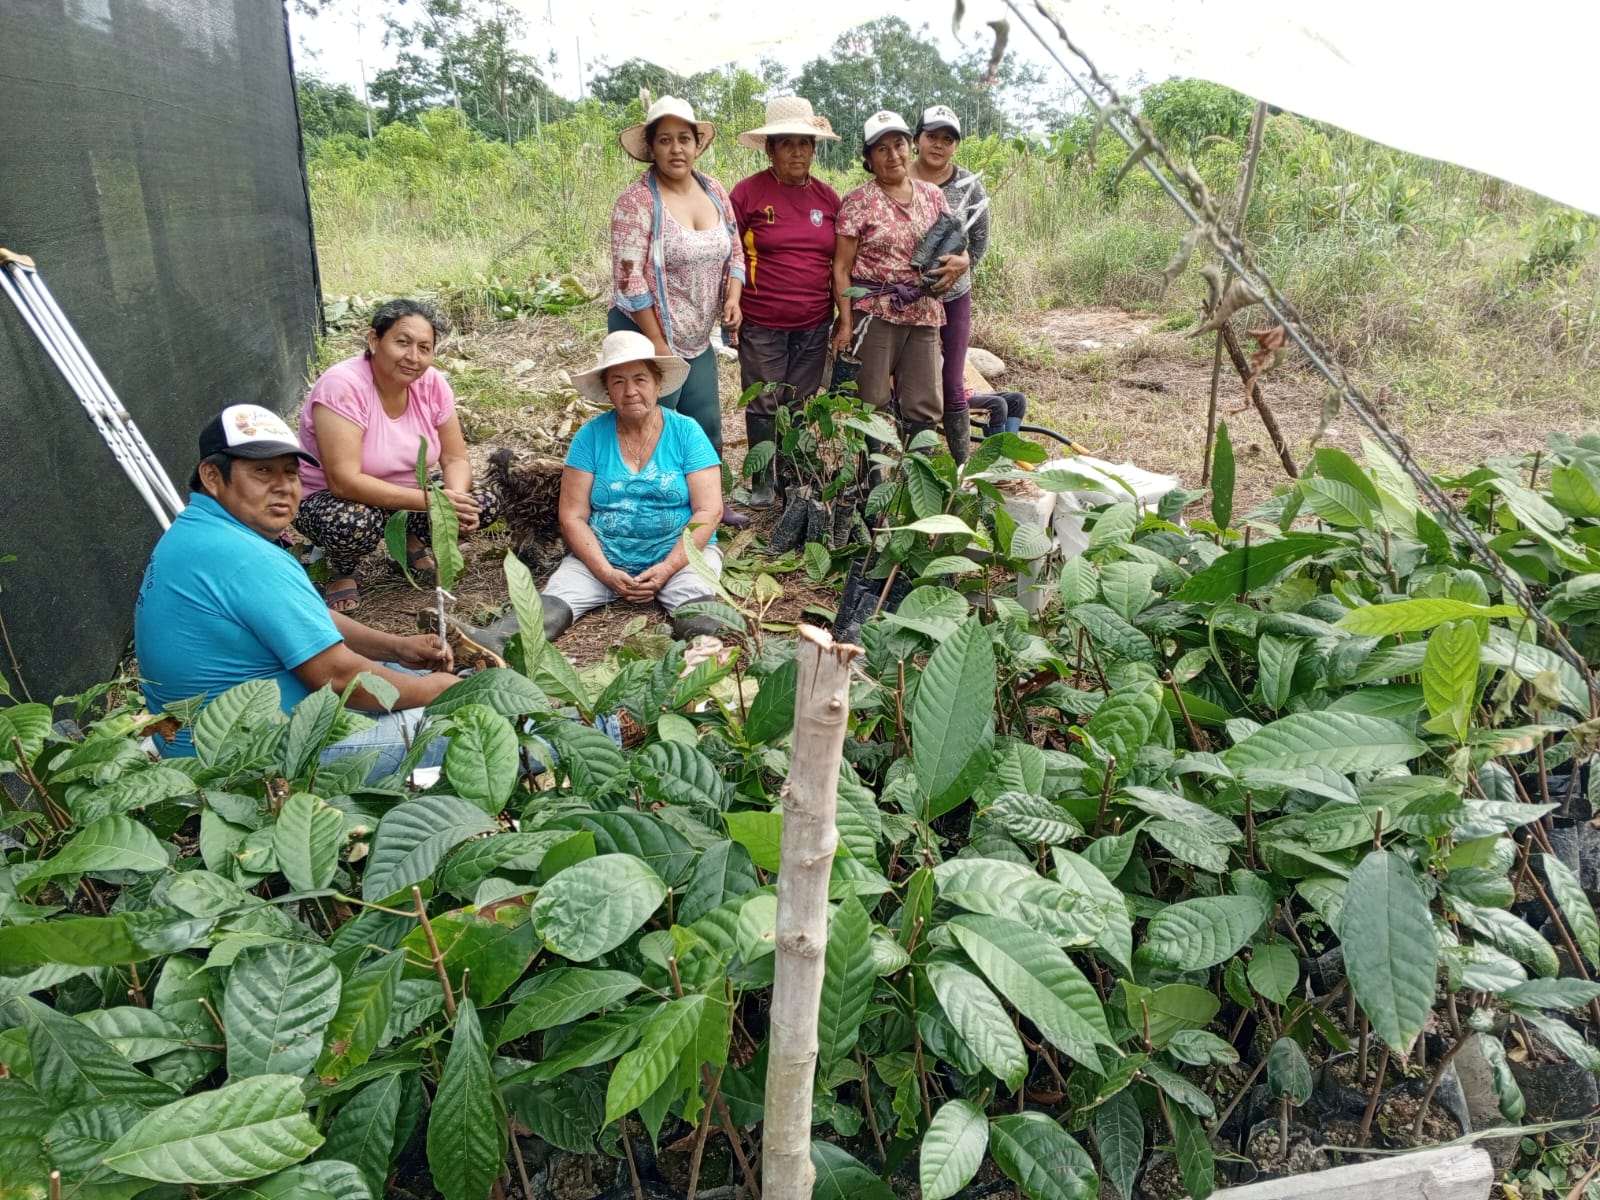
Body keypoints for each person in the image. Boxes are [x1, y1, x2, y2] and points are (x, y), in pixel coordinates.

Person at [134, 405, 458, 779]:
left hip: (193, 743)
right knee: (472, 724)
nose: (283, 486)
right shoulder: (247, 558)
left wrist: (395, 648)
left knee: (403, 671)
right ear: (212, 475)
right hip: (248, 761)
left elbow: (306, 618)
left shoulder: (198, 531)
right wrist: (434, 693)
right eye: (262, 471)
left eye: (290, 472)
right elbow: (337, 676)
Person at [293, 299, 501, 613]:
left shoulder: (432, 384)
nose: (413, 357)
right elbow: (343, 481)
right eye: (402, 342)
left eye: (424, 348)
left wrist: (453, 501)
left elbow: (455, 459)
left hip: (408, 494)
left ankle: (406, 538)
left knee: (481, 502)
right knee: (351, 523)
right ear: (374, 340)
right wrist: (433, 503)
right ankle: (340, 567)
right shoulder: (342, 386)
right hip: (333, 499)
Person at [609, 96, 748, 528]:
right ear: (651, 147)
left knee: (704, 421)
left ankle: (710, 506)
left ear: (696, 144)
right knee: (647, 422)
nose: (676, 149)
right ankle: (644, 511)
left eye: (684, 139)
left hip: (695, 334)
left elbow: (736, 249)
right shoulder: (636, 202)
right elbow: (628, 278)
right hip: (644, 333)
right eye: (665, 140)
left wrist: (733, 297)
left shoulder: (713, 190)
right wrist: (655, 340)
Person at [535, 331, 726, 642]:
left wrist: (667, 568)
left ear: (657, 383)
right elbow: (572, 516)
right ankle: (486, 648)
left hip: (681, 556)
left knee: (700, 621)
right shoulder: (589, 436)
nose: (630, 391)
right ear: (608, 390)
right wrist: (606, 573)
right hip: (602, 557)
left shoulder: (687, 432)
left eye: (640, 379)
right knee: (545, 614)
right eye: (618, 381)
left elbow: (709, 510)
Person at [729, 96, 842, 509]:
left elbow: (840, 263)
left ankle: (792, 473)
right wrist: (730, 305)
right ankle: (762, 480)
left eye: (805, 143)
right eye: (787, 143)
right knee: (764, 397)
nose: (798, 152)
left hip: (814, 320)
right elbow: (730, 254)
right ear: (770, 149)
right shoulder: (747, 194)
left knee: (800, 398)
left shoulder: (828, 199)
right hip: (762, 320)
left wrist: (842, 319)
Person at [831, 110, 954, 451]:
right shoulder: (858, 201)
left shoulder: (933, 195)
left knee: (924, 402)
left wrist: (958, 264)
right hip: (875, 311)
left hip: (924, 311)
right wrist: (846, 323)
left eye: (898, 144)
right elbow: (840, 268)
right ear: (869, 158)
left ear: (910, 146)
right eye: (881, 149)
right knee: (870, 400)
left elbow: (952, 246)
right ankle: (870, 476)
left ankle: (916, 473)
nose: (893, 155)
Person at [910, 104, 990, 465]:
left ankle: (960, 469)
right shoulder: (900, 177)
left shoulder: (969, 186)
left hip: (954, 296)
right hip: (908, 299)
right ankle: (913, 463)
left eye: (948, 139)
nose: (939, 144)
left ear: (956, 146)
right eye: (932, 136)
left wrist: (961, 265)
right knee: (910, 380)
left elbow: (980, 242)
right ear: (917, 139)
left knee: (952, 379)